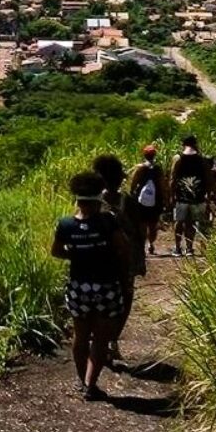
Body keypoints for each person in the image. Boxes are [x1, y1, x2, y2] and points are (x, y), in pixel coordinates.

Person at [51, 171, 132, 400]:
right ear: (99, 200)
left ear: (77, 201)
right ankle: (90, 384)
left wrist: (79, 252)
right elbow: (123, 250)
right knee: (100, 338)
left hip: (79, 287)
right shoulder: (108, 221)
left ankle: (80, 380)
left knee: (80, 334)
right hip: (106, 286)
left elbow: (56, 251)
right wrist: (124, 279)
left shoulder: (65, 225)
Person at [93, 153, 136, 364]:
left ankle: (100, 339)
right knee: (125, 297)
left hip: (97, 258)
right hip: (123, 258)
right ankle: (112, 340)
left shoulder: (92, 201)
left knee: (99, 299)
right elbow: (139, 231)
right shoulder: (126, 200)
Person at [169, 135, 212, 256]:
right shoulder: (201, 160)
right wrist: (208, 196)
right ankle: (189, 248)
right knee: (191, 223)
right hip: (198, 196)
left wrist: (171, 195)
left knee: (179, 221)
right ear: (195, 144)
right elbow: (208, 179)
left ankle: (177, 248)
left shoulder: (178, 158)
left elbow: (172, 178)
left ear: (183, 144)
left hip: (181, 196)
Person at [128, 144, 167, 256]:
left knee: (142, 223)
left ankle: (142, 245)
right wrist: (165, 198)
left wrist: (132, 194)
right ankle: (151, 244)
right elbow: (162, 185)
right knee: (153, 224)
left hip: (141, 199)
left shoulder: (140, 168)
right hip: (156, 199)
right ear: (154, 155)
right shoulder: (158, 169)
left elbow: (133, 183)